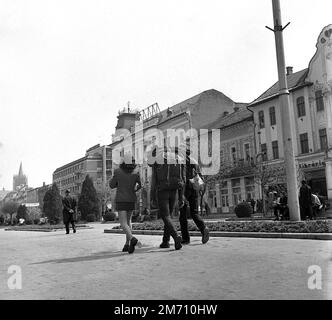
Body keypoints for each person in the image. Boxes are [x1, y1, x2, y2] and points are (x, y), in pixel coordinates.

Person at [150, 146, 183, 250]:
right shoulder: (177, 158)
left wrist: (152, 197)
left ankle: (176, 236)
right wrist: (181, 197)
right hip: (174, 190)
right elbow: (182, 178)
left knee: (165, 216)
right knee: (169, 217)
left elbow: (154, 181)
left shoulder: (157, 161)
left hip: (162, 190)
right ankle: (165, 241)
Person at [109, 154, 142, 253]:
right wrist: (134, 189)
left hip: (121, 199)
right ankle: (127, 245)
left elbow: (111, 185)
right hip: (131, 199)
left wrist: (116, 180)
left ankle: (132, 239)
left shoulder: (118, 171)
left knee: (123, 223)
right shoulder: (136, 172)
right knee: (128, 222)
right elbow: (140, 184)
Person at [178, 143, 209, 245]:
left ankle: (186, 238)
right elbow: (200, 176)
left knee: (182, 215)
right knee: (194, 212)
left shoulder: (180, 162)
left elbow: (180, 177)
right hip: (194, 188)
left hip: (185, 188)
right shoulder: (194, 161)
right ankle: (203, 228)